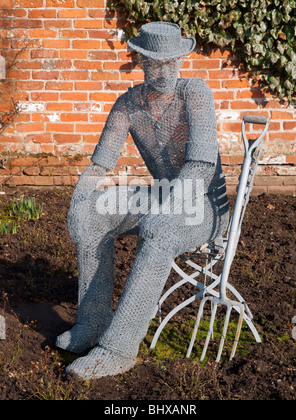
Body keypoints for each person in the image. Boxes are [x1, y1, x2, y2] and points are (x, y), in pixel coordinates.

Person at [56, 21, 229, 379]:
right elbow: (99, 163)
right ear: (141, 61)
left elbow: (199, 165)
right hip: (165, 197)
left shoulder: (194, 92)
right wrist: (79, 200)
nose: (164, 71)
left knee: (158, 230)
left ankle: (119, 348)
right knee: (92, 215)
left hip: (206, 204)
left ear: (180, 59)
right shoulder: (128, 105)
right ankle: (92, 322)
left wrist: (168, 210)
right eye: (155, 63)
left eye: (170, 63)